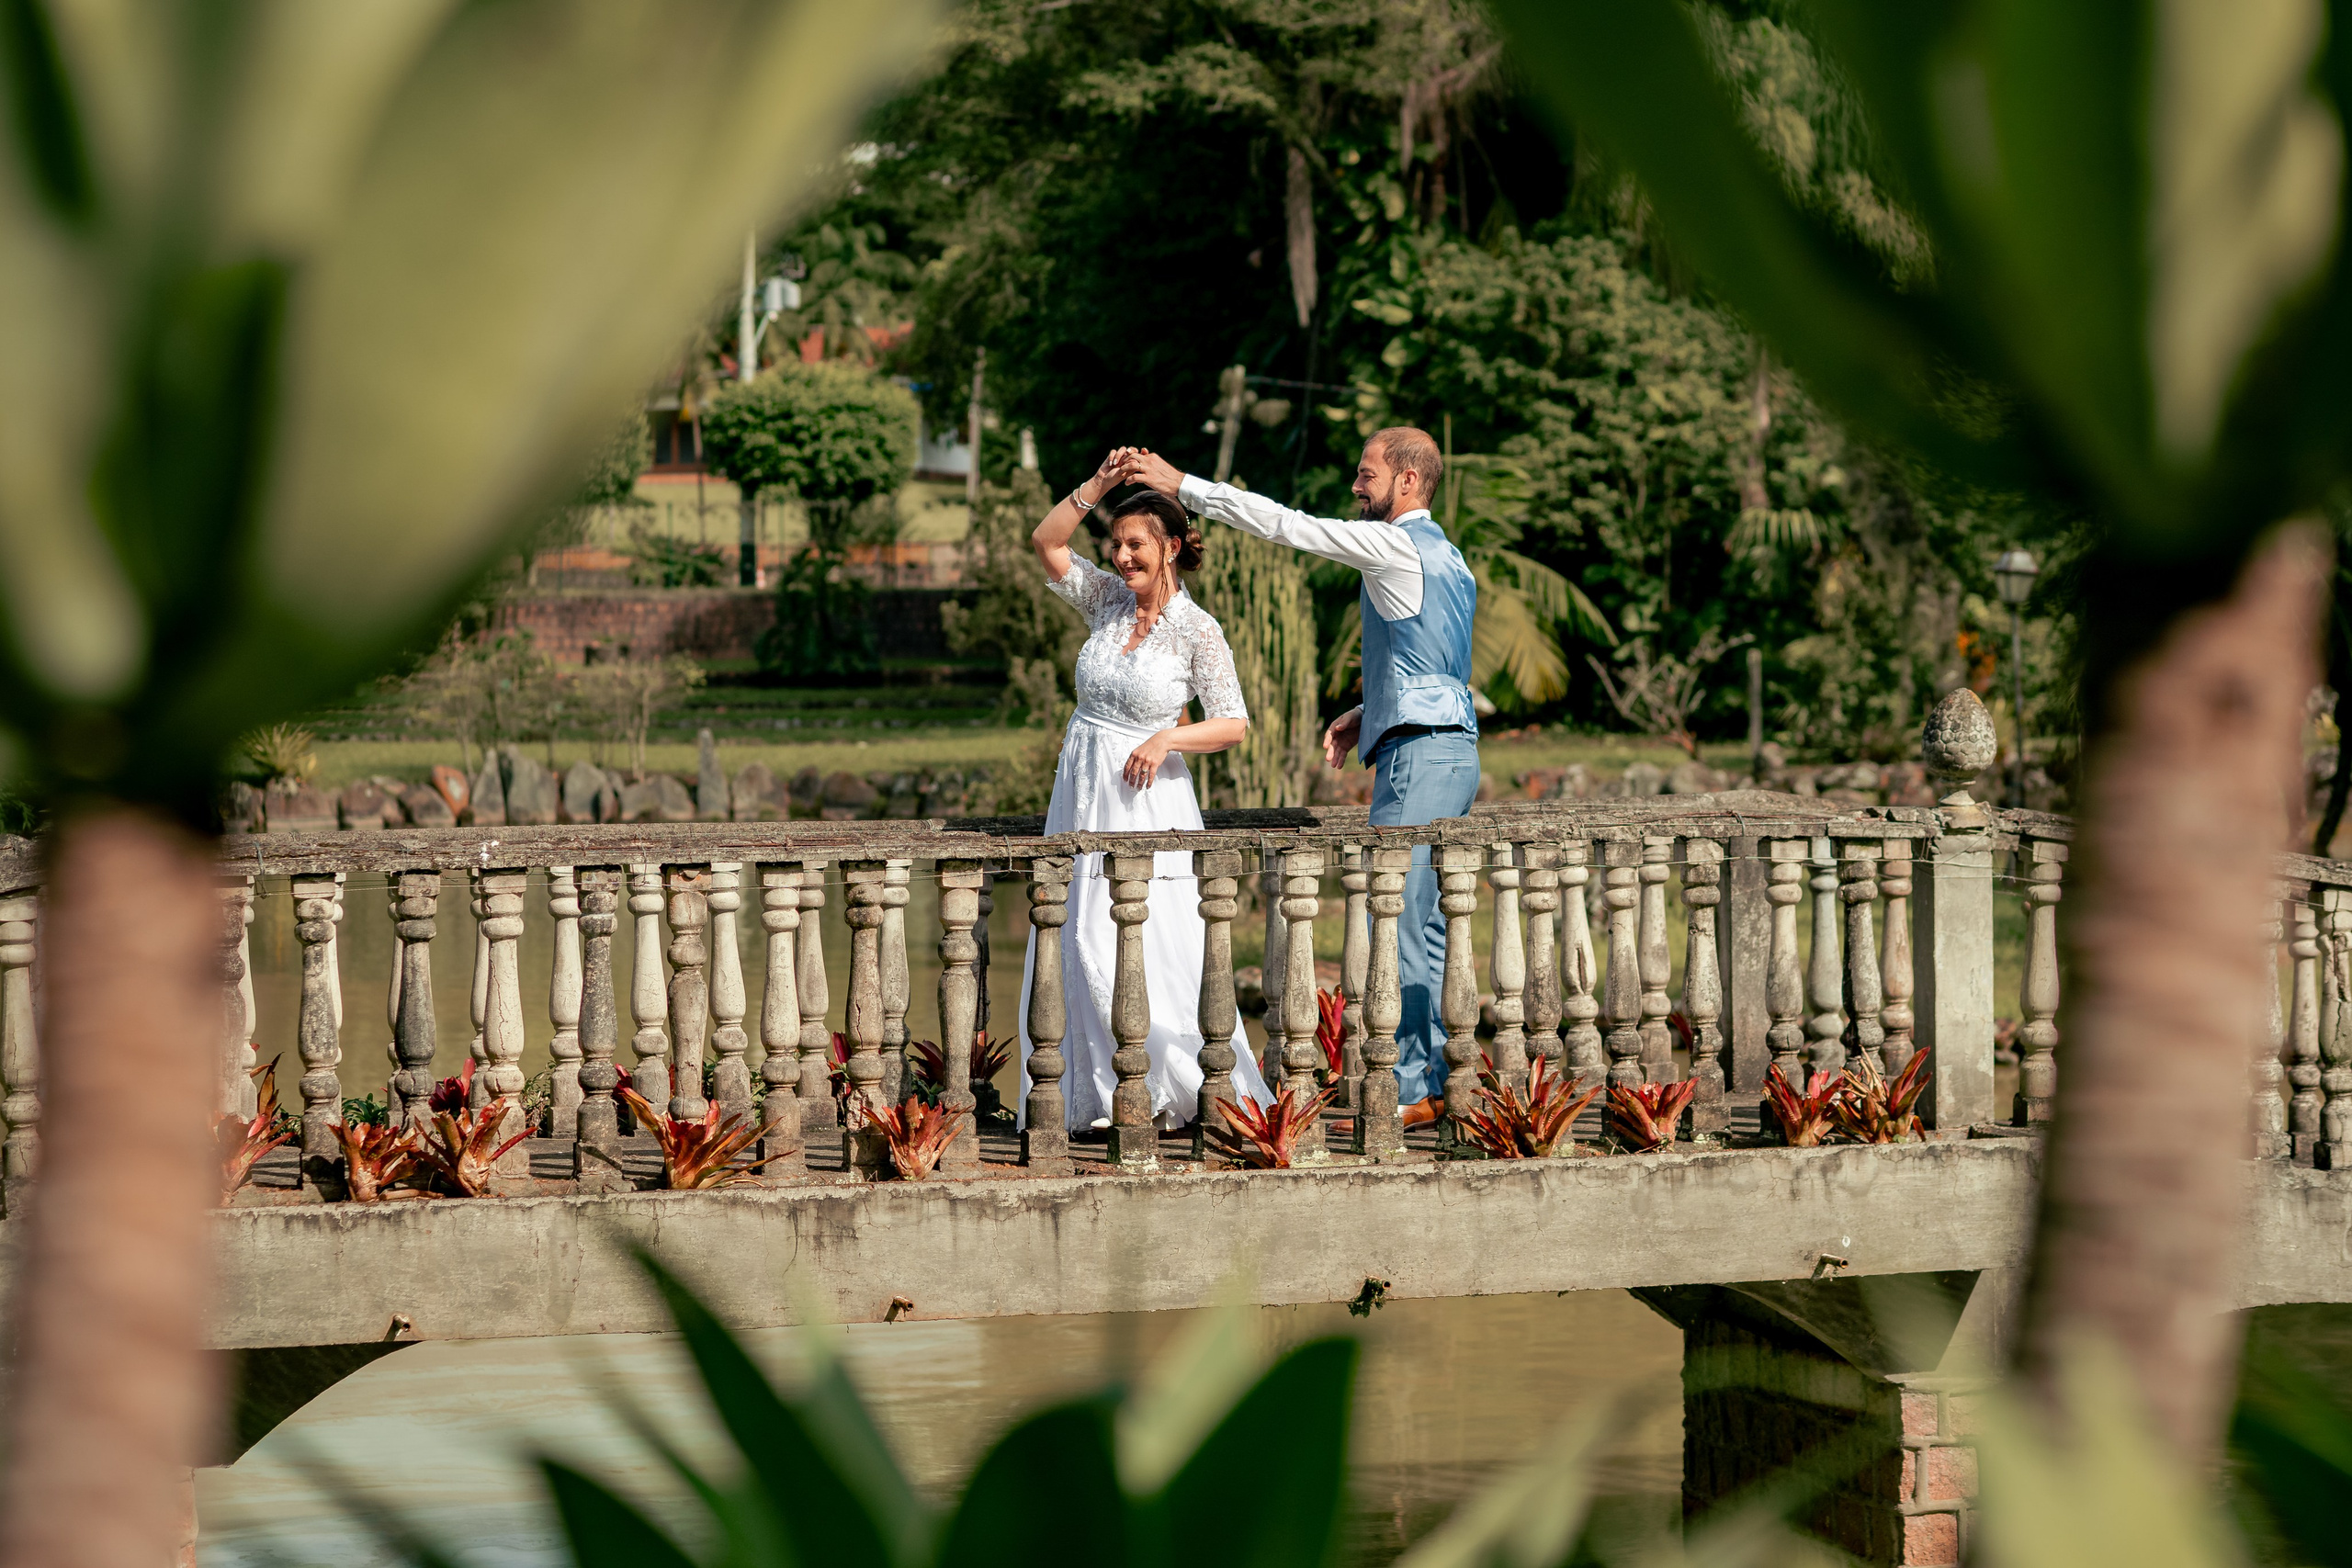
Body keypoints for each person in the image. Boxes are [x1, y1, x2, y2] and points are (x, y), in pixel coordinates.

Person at [1123, 429, 1476, 1128]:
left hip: (1417, 756)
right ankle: (1429, 1081)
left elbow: (1291, 528)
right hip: (1454, 750)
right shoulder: (1451, 557)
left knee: (1396, 918)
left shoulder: (1396, 544)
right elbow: (1439, 660)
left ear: (1408, 481)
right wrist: (1368, 709)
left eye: (1367, 474)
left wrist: (1185, 486)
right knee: (1426, 926)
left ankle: (1407, 1089)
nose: (1356, 485)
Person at [1016, 447, 1279, 1136]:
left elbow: (1233, 723)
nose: (1122, 556)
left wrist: (1167, 738)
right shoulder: (1105, 599)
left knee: (1144, 940)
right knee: (1076, 938)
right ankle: (1095, 1095)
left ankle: (1164, 1089)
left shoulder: (1199, 630)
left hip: (1148, 800)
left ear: (1169, 546)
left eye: (1135, 544)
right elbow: (1046, 541)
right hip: (1082, 789)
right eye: (1116, 544)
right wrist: (1097, 487)